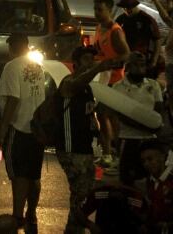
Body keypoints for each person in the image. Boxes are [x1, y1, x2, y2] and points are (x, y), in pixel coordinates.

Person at [53, 45, 124, 234]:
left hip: (86, 148)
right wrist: (98, 68)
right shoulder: (69, 82)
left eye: (93, 59)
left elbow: (95, 117)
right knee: (81, 193)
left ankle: (74, 229)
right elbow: (75, 85)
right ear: (75, 64)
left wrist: (104, 144)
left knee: (84, 192)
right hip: (71, 148)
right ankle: (74, 230)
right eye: (86, 59)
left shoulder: (89, 89)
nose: (91, 63)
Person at [0, 32, 48, 232]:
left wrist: (2, 129)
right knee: (34, 176)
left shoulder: (12, 67)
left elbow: (13, 99)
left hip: (18, 128)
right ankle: (32, 214)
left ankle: (18, 216)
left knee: (19, 176)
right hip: (37, 129)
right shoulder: (37, 66)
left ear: (12, 47)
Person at [113, 52, 164, 185]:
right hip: (130, 139)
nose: (141, 68)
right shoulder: (118, 87)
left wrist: (153, 124)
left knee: (153, 178)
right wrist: (146, 126)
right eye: (137, 65)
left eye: (143, 65)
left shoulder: (153, 85)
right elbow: (121, 115)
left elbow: (158, 107)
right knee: (128, 179)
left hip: (150, 139)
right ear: (129, 66)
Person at [93, 0, 130, 171]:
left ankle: (113, 154)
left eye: (100, 10)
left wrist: (111, 64)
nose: (96, 13)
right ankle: (109, 152)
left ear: (110, 10)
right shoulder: (99, 28)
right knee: (103, 116)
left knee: (107, 116)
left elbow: (125, 54)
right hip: (102, 78)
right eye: (95, 9)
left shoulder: (115, 31)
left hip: (114, 81)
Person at [135, 140, 173, 231]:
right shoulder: (150, 181)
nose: (146, 164)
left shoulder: (171, 181)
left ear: (162, 157)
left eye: (150, 159)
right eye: (143, 161)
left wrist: (167, 225)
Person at [115, 0, 160, 65]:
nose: (126, 9)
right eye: (124, 7)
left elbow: (157, 41)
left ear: (135, 5)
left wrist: (154, 61)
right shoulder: (120, 20)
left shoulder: (147, 19)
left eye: (129, 7)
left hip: (142, 60)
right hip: (126, 61)